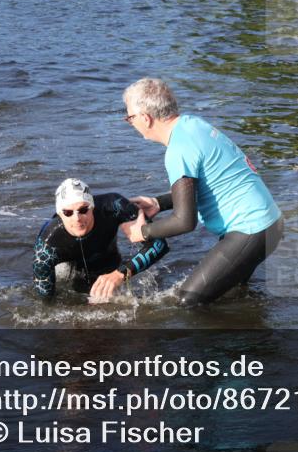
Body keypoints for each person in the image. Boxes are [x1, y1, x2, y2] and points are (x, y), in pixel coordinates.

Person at [121, 78, 283, 307]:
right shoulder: (193, 125)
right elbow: (210, 185)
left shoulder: (178, 150)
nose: (131, 123)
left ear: (146, 118)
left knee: (189, 301)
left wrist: (143, 232)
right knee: (233, 297)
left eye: (130, 118)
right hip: (270, 225)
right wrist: (159, 203)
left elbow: (185, 222)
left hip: (252, 230)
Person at [33, 178, 169, 301]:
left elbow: (159, 244)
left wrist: (120, 274)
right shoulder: (47, 244)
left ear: (92, 207)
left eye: (83, 210)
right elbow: (45, 302)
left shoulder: (114, 206)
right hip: (76, 276)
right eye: (68, 212)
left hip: (112, 264)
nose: (77, 218)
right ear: (59, 214)